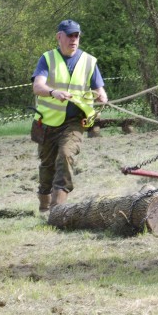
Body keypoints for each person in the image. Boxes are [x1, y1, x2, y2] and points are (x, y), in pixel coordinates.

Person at [31, 19, 108, 212]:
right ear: (59, 37)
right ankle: (44, 207)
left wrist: (101, 96)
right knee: (47, 165)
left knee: (65, 156)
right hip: (47, 122)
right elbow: (37, 86)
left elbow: (101, 92)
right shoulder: (47, 59)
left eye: (77, 36)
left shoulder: (89, 61)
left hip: (75, 122)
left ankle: (58, 210)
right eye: (70, 35)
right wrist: (52, 92)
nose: (74, 39)